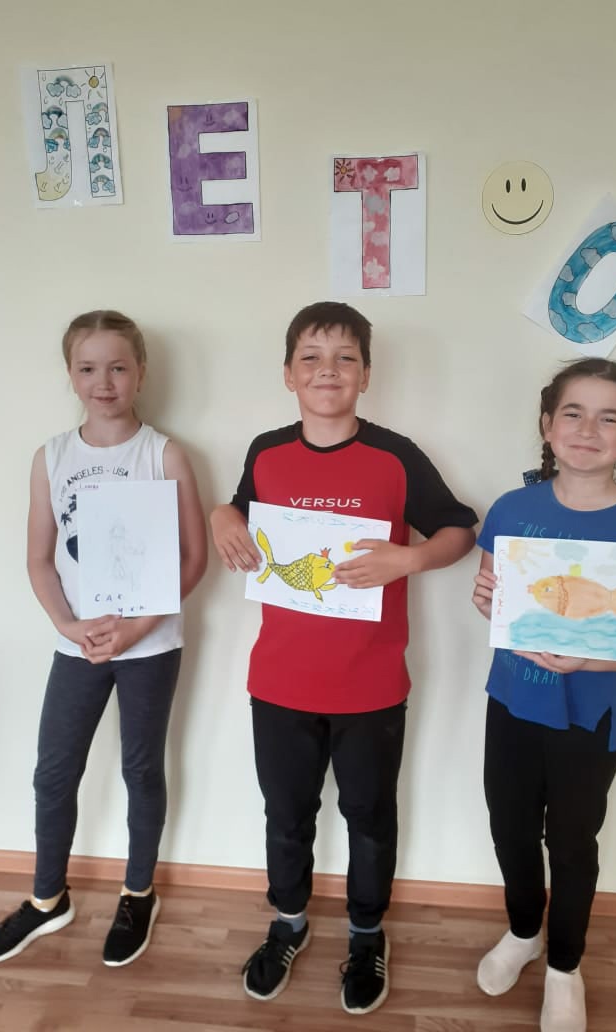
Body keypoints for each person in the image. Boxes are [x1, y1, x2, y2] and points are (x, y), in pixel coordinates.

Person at [210, 301, 477, 1015]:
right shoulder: (267, 451)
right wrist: (220, 514)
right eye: (311, 357)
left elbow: (460, 528)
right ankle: (288, 922)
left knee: (369, 815)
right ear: (288, 374)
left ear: (365, 374)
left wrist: (410, 558)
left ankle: (365, 934)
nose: (327, 370)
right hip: (279, 682)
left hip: (372, 685)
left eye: (344, 358)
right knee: (286, 813)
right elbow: (240, 508)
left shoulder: (396, 455)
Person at [0, 310, 208, 968]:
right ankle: (48, 899)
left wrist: (135, 628)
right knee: (54, 771)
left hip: (149, 647)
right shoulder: (51, 457)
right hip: (78, 644)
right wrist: (67, 625)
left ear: (141, 373)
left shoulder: (163, 454)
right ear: (70, 375)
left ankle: (138, 893)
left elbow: (193, 558)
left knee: (141, 769)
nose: (103, 382)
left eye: (117, 368)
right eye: (87, 368)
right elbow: (39, 561)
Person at [471, 358, 616, 1032]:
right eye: (573, 413)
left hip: (591, 719)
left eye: (609, 418)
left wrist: (592, 658)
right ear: (547, 425)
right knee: (510, 827)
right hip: (512, 703)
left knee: (571, 842)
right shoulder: (512, 509)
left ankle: (565, 966)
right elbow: (496, 597)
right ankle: (523, 932)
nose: (588, 430)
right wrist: (487, 602)